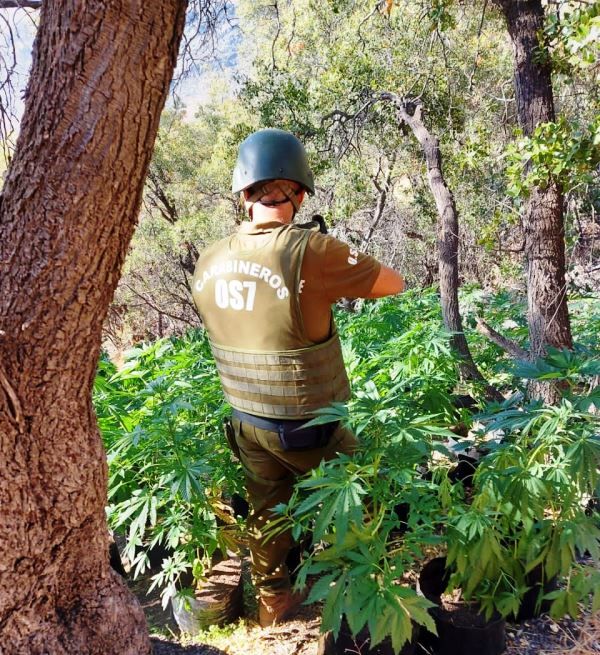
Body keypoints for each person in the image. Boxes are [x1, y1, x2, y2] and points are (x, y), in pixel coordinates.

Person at [191, 128, 404, 627]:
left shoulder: (209, 259)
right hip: (308, 424)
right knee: (359, 499)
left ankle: (272, 605)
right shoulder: (311, 249)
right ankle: (362, 603)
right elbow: (392, 283)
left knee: (267, 515)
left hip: (246, 421)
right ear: (298, 191)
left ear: (244, 195)